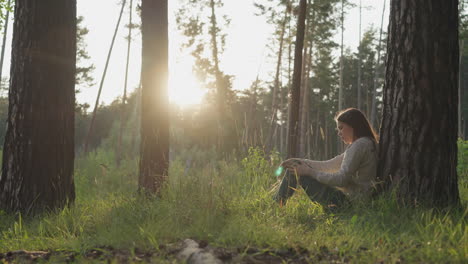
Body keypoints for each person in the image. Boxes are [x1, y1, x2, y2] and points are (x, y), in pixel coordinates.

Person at [273, 108, 379, 208]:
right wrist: (299, 161)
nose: (339, 132)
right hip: (351, 202)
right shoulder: (366, 143)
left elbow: (341, 180)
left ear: (353, 125)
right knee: (296, 166)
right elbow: (328, 165)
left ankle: (276, 205)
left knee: (294, 171)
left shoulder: (360, 145)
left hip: (347, 204)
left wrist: (309, 171)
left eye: (341, 128)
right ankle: (277, 203)